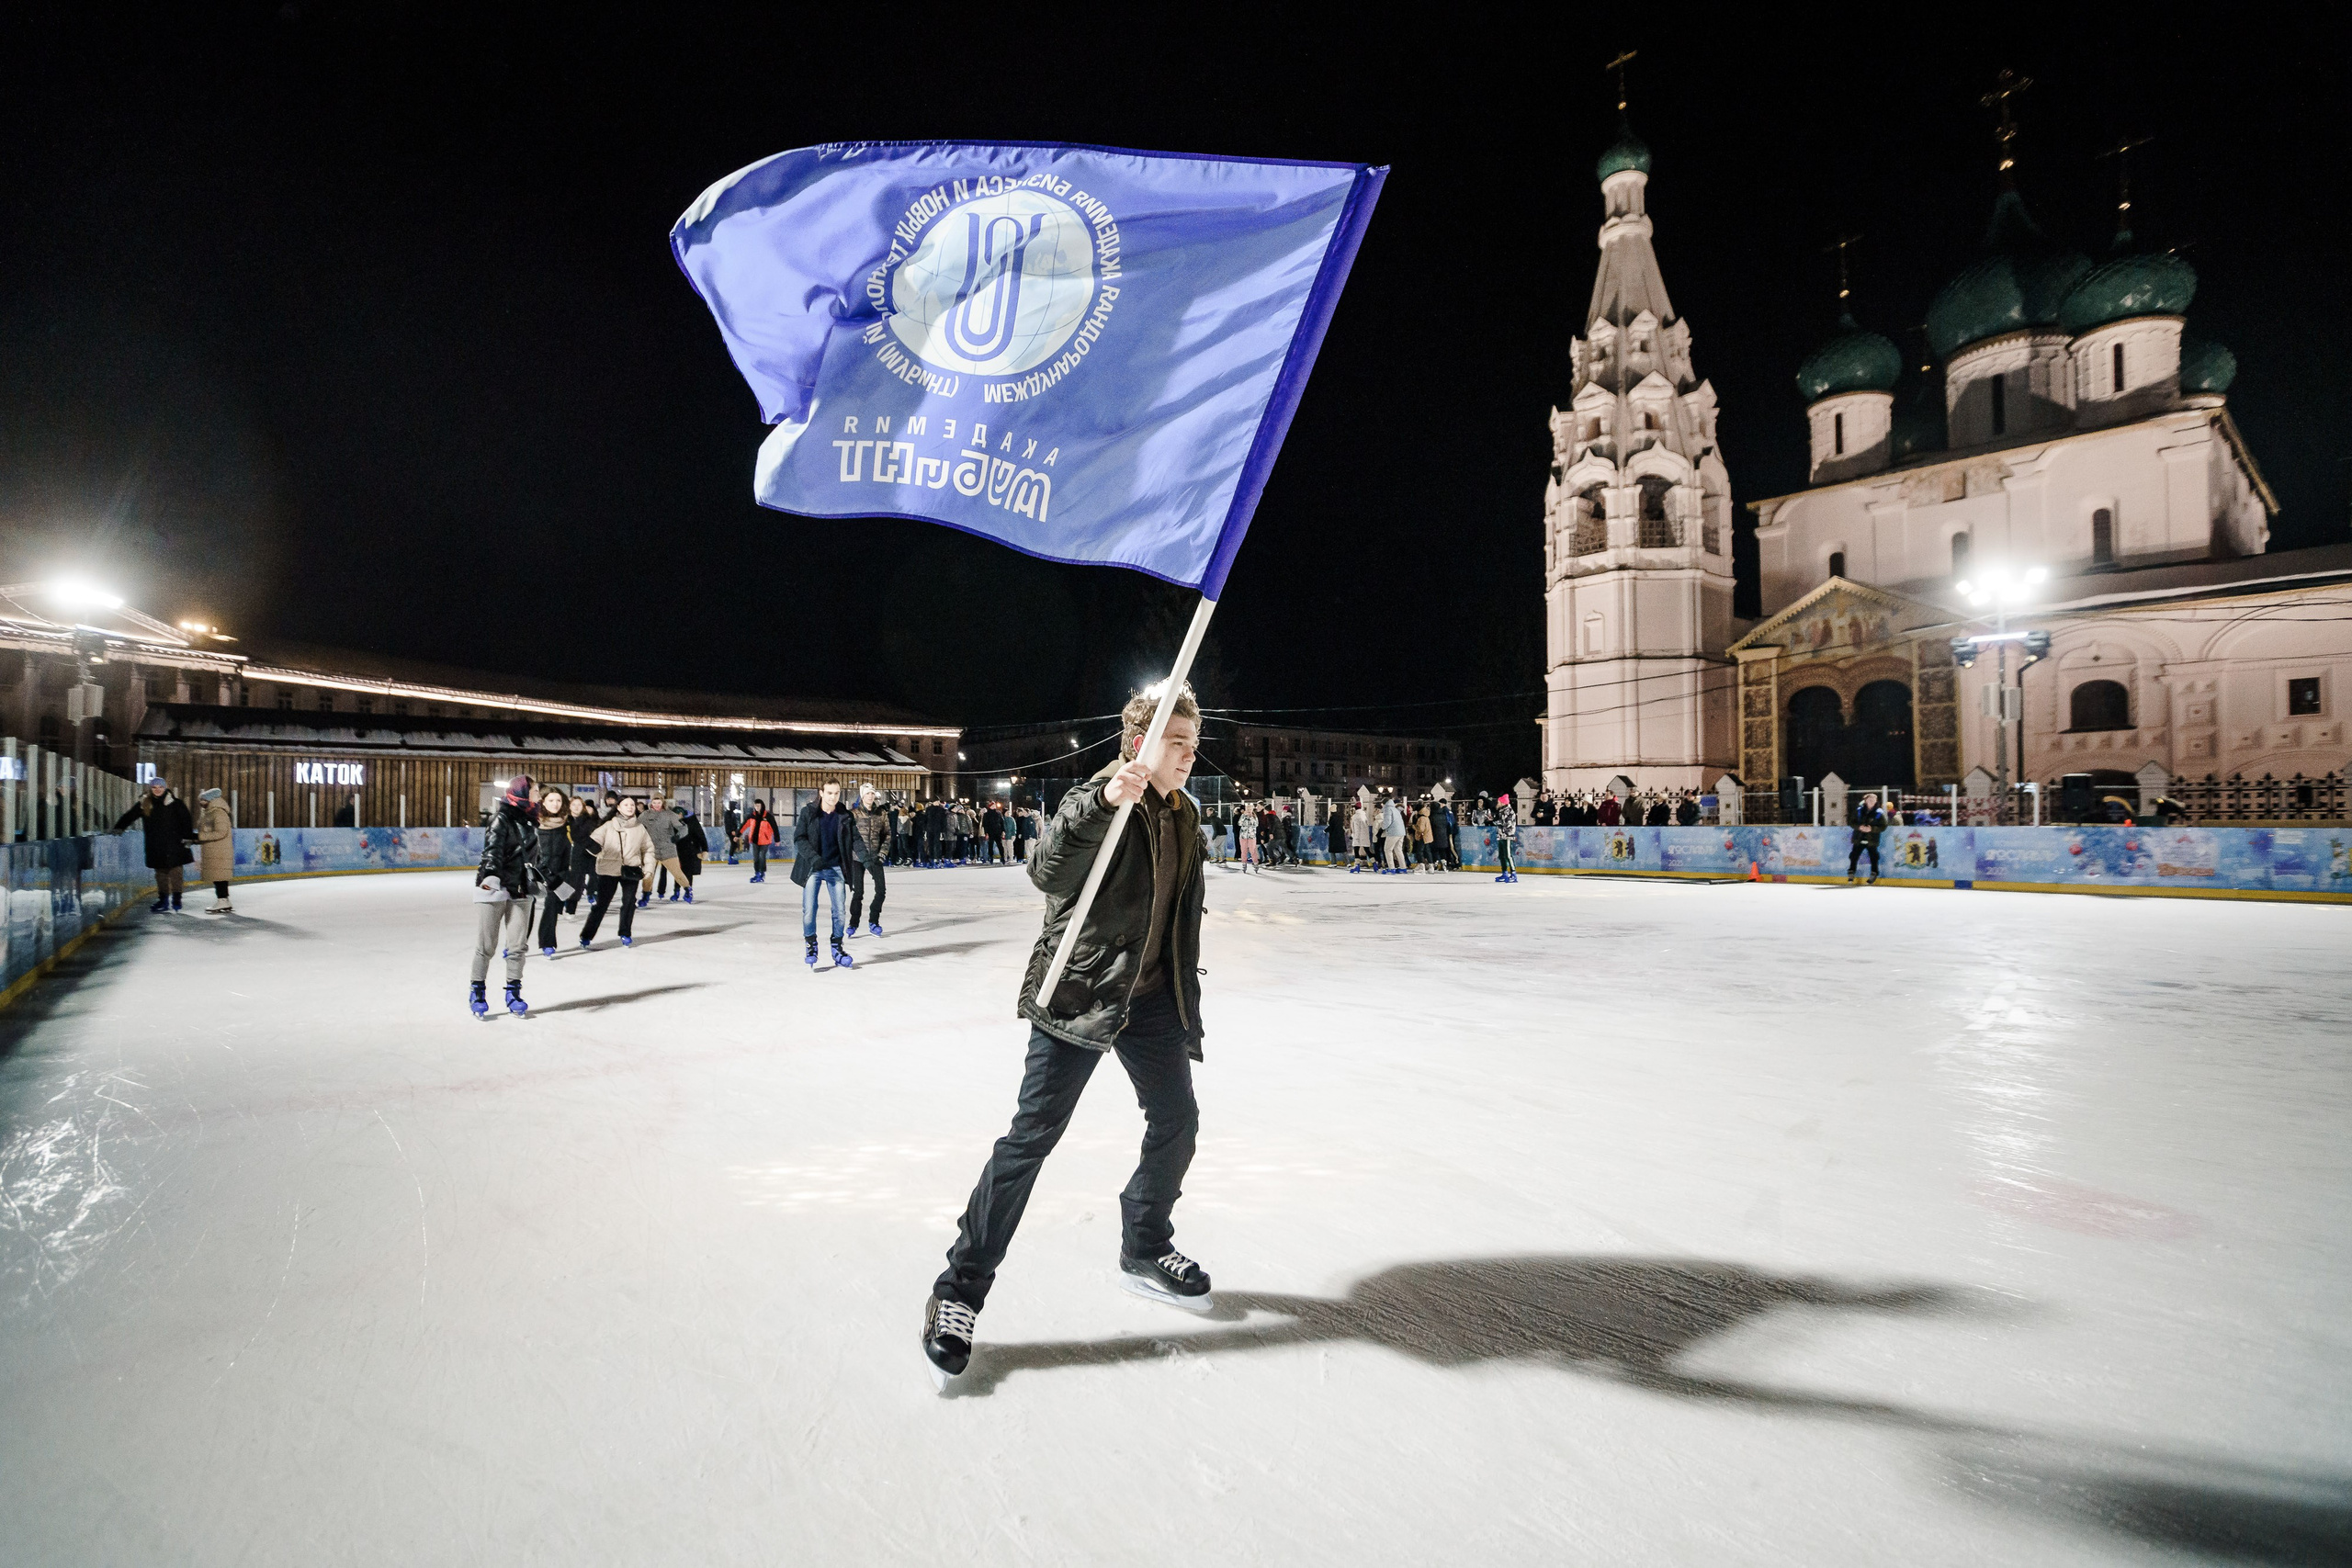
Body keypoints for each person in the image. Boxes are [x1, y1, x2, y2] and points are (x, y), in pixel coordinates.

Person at [924, 682, 1211, 1389]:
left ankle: (1145, 1244)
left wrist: (1183, 997)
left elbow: (1179, 918)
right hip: (1082, 991)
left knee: (1177, 1120)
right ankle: (957, 1291)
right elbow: (1045, 869)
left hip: (1148, 1001)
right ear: (1140, 743)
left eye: (1193, 744)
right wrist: (1104, 801)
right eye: (1176, 743)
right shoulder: (1104, 799)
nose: (1188, 756)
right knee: (1031, 1140)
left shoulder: (1186, 815)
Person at [470, 775, 539, 1019]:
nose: (538, 795)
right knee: (486, 946)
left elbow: (534, 858)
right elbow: (492, 851)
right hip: (495, 888)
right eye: (535, 791)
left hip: (521, 888)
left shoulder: (532, 820)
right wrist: (490, 877)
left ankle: (513, 992)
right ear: (522, 793)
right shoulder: (502, 818)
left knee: (517, 946)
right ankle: (477, 991)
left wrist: (550, 880)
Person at [792, 780, 858, 969]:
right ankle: (811, 946)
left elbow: (855, 839)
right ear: (821, 793)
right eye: (829, 793)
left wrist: (867, 859)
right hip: (814, 867)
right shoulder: (809, 813)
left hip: (835, 868)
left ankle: (837, 949)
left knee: (839, 911)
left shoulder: (844, 815)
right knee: (809, 909)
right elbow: (799, 839)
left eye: (836, 793)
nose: (833, 797)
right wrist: (814, 858)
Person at [113, 776, 196, 913]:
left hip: (175, 845)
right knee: (161, 874)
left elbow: (186, 821)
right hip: (156, 845)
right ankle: (163, 900)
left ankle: (176, 899)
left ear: (165, 788)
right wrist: (119, 827)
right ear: (151, 789)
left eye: (160, 787)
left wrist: (188, 838)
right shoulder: (145, 803)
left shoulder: (176, 803)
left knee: (176, 873)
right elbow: (130, 815)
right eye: (154, 787)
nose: (157, 790)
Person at [581, 795, 653, 947]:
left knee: (629, 902)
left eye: (632, 805)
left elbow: (648, 849)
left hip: (631, 869)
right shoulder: (608, 826)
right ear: (618, 807)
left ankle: (625, 933)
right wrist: (601, 854)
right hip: (609, 870)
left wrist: (649, 868)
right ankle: (587, 935)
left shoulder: (640, 828)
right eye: (626, 804)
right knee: (602, 904)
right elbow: (592, 843)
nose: (630, 807)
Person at [532, 787, 574, 955]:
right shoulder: (534, 822)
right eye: (551, 800)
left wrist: (564, 874)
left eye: (558, 800)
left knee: (551, 908)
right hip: (535, 872)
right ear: (542, 802)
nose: (555, 804)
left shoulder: (566, 823)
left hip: (557, 874)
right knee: (526, 909)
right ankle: (515, 944)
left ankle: (547, 943)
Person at [848, 782, 891, 937]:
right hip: (858, 858)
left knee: (881, 890)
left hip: (875, 857)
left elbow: (887, 835)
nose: (870, 796)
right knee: (858, 892)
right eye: (867, 793)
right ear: (862, 795)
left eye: (872, 793)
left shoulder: (881, 813)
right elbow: (849, 837)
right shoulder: (853, 813)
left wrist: (882, 853)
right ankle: (853, 923)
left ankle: (874, 921)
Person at [639, 795, 692, 906]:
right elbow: (636, 826)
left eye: (659, 802)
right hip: (651, 850)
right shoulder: (645, 815)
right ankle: (645, 895)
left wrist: (677, 837)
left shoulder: (669, 815)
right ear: (651, 803)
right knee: (648, 874)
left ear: (662, 803)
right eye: (654, 802)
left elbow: (683, 827)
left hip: (667, 849)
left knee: (677, 872)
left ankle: (688, 890)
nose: (656, 805)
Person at [194, 787, 235, 914]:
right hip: (215, 850)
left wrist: (200, 836)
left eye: (203, 800)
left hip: (219, 851)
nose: (201, 803)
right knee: (219, 876)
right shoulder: (210, 812)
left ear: (210, 800)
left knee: (220, 877)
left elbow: (221, 832)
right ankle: (224, 900)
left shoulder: (218, 813)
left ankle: (222, 900)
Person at [1847, 792, 1888, 884]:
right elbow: (1851, 822)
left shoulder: (1879, 812)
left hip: (1872, 839)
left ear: (1876, 801)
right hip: (1859, 838)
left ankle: (1874, 873)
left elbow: (1883, 826)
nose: (1871, 801)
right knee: (1854, 856)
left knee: (1874, 857)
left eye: (1873, 800)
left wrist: (1872, 829)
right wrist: (1859, 827)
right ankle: (1851, 872)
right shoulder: (1859, 811)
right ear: (1865, 800)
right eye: (1869, 799)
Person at [741, 798, 779, 881]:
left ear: (762, 806)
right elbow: (744, 825)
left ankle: (762, 873)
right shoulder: (752, 816)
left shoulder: (768, 816)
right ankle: (757, 873)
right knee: (756, 858)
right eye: (755, 806)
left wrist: (777, 840)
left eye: (758, 805)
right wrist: (738, 834)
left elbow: (775, 828)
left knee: (762, 856)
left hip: (765, 840)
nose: (757, 807)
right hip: (755, 840)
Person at [673, 804, 705, 897]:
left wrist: (703, 849)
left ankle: (688, 891)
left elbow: (699, 835)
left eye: (679, 814)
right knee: (678, 872)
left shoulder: (690, 821)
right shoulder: (672, 823)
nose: (678, 816)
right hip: (678, 850)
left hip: (690, 850)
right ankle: (676, 891)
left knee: (688, 872)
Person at [1493, 792, 1521, 883]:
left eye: (1499, 802)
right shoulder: (1501, 811)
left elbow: (1506, 823)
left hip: (1507, 835)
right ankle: (1504, 873)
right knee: (1502, 855)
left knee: (1508, 855)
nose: (1497, 804)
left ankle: (1513, 874)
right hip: (1501, 835)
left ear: (1503, 802)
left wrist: (1495, 821)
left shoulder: (1509, 811)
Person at [1380, 794, 1408, 873]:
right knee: (1398, 849)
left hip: (1393, 832)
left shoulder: (1388, 809)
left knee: (1388, 849)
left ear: (1384, 804)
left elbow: (1387, 822)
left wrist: (1382, 828)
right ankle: (1403, 867)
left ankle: (1391, 868)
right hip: (1401, 832)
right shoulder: (1395, 809)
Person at [983, 800, 1008, 865]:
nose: (994, 807)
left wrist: (1003, 831)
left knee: (1000, 845)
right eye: (992, 805)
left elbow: (1002, 823)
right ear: (990, 806)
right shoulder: (986, 814)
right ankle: (991, 857)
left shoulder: (998, 813)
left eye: (994, 805)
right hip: (990, 832)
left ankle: (1002, 858)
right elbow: (985, 824)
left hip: (998, 831)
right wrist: (986, 833)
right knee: (990, 845)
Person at [1236, 799, 1258, 872]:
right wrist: (1244, 816)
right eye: (1247, 809)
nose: (1248, 810)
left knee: (1252, 850)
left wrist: (1251, 817)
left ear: (1252, 809)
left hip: (1251, 836)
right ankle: (1244, 864)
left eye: (1250, 809)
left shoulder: (1254, 817)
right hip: (1243, 836)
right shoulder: (1243, 816)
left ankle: (1255, 863)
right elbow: (1239, 824)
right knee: (1244, 851)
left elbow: (1256, 824)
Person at [723, 800, 744, 864]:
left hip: (732, 830)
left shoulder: (732, 813)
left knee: (734, 844)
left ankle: (731, 858)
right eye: (734, 806)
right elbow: (729, 822)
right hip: (730, 831)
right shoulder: (728, 813)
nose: (735, 807)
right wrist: (732, 830)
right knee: (734, 843)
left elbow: (734, 823)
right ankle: (730, 858)